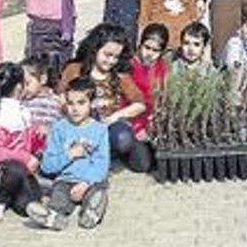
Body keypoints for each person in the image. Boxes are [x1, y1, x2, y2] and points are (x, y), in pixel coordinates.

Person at [59, 23, 151, 173]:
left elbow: (140, 104)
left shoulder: (119, 76)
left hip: (109, 126)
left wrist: (116, 116)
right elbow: (61, 96)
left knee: (128, 146)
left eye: (116, 57)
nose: (111, 61)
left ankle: (113, 152)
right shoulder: (75, 69)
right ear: (95, 49)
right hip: (79, 127)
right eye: (107, 55)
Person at [27, 77, 111, 231]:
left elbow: (101, 163)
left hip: (91, 180)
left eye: (81, 103)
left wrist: (85, 183)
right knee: (58, 197)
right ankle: (54, 217)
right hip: (65, 180)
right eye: (70, 103)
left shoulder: (100, 130)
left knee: (97, 193)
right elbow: (47, 165)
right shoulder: (58, 128)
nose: (75, 108)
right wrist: (69, 155)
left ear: (91, 103)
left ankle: (90, 213)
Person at [0, 62, 45, 221]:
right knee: (14, 168)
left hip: (23, 171)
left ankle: (28, 206)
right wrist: (25, 158)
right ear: (19, 87)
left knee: (33, 194)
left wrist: (39, 137)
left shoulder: (22, 111)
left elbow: (26, 142)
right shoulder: (1, 113)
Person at [130, 24, 169, 141]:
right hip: (131, 117)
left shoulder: (162, 66)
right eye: (147, 48)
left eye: (156, 50)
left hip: (152, 118)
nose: (150, 53)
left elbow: (163, 96)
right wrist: (137, 127)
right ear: (140, 45)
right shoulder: (130, 65)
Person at [21, 55, 63, 138]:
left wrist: (49, 130)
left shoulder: (56, 102)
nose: (24, 88)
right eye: (21, 84)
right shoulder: (22, 103)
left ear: (43, 79)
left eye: (27, 83)